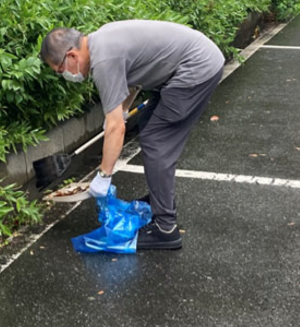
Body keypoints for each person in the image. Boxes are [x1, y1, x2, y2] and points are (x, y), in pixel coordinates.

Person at [40, 21, 224, 251]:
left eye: (61, 69)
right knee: (148, 123)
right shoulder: (101, 41)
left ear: (72, 55)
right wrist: (124, 109)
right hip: (195, 61)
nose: (65, 75)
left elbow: (116, 128)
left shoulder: (103, 61)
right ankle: (160, 200)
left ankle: (166, 229)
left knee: (156, 140)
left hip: (196, 68)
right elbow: (135, 76)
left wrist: (104, 176)